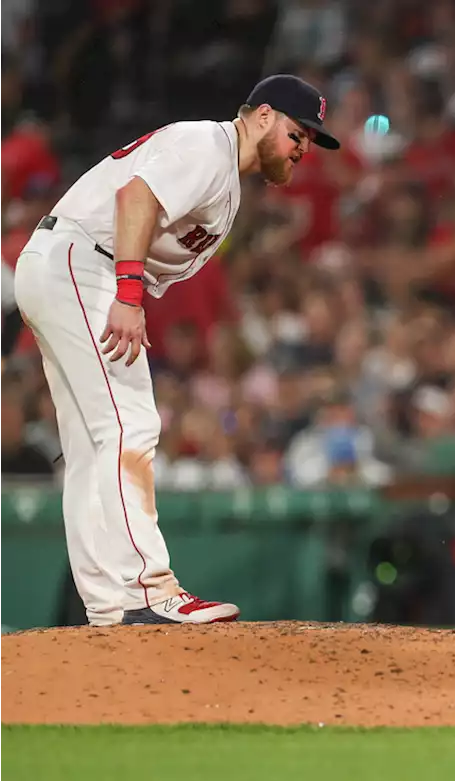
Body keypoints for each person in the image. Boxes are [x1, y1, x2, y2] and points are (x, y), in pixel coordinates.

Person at [11, 74, 341, 626]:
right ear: (261, 116)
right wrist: (129, 292)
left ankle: (109, 604)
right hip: (83, 260)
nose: (303, 147)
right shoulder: (208, 146)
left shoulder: (226, 177)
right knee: (130, 427)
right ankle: (148, 592)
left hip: (68, 263)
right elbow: (134, 197)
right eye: (297, 132)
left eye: (310, 139)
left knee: (95, 446)